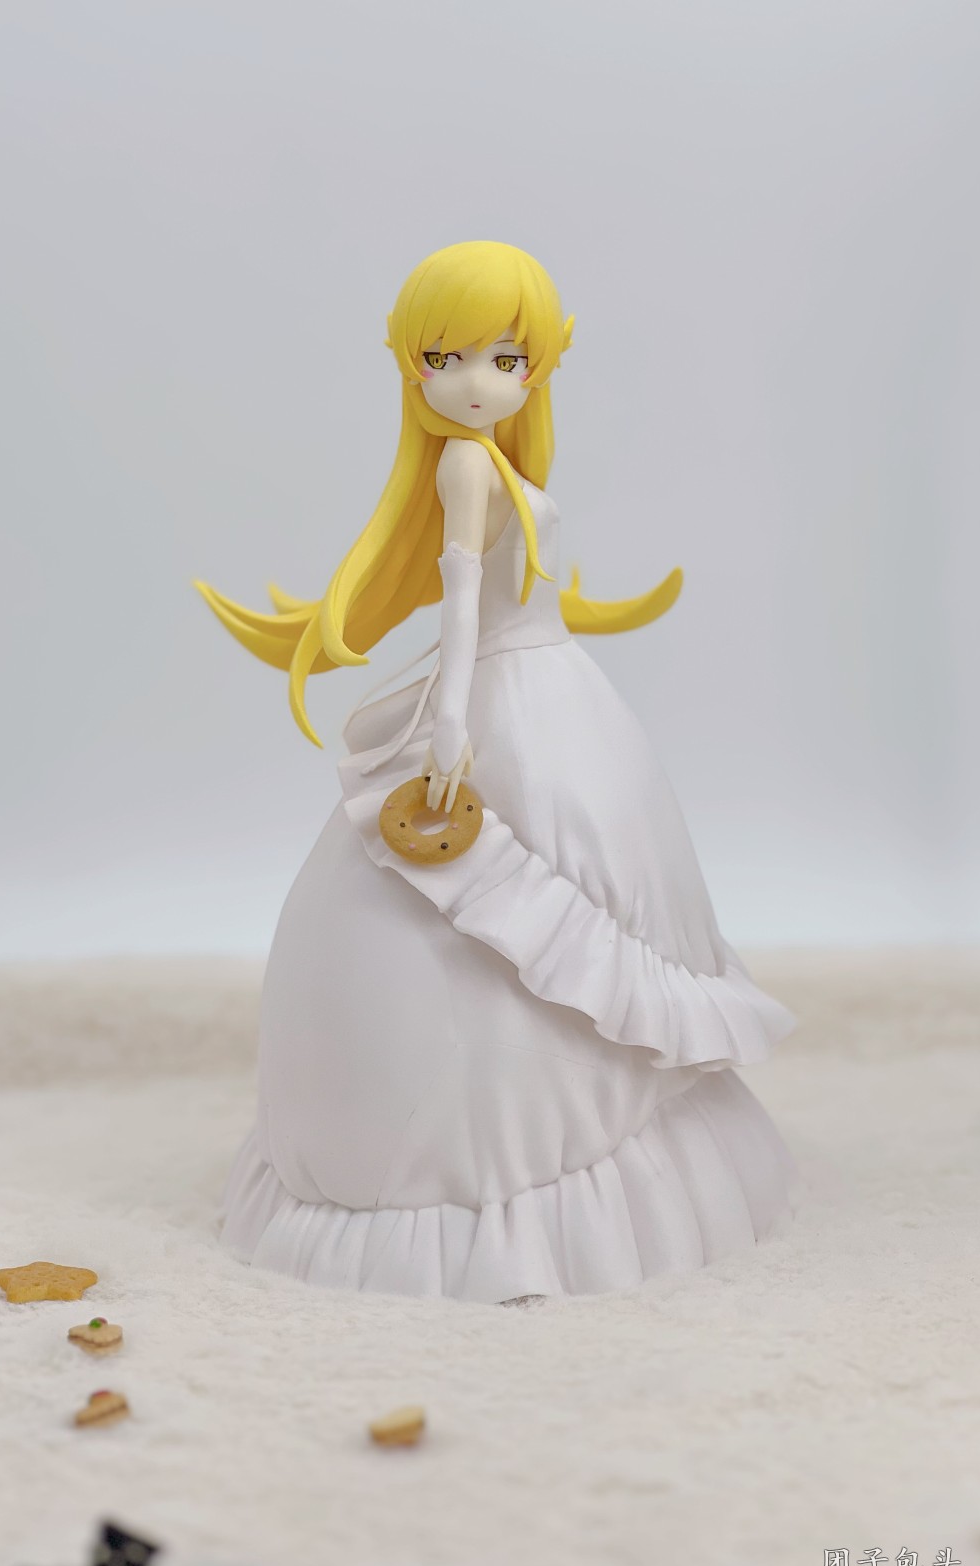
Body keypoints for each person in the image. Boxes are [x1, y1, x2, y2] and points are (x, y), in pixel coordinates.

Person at [195, 239, 801, 1302]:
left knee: (602, 902)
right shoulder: (467, 464)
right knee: (513, 915)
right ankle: (476, 1173)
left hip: (547, 694)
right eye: (446, 357)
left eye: (505, 359)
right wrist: (448, 722)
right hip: (502, 698)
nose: (476, 381)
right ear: (413, 367)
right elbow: (464, 600)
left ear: (537, 368)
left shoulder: (497, 464)